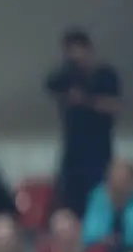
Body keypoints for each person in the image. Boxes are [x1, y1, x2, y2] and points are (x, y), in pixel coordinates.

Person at [44, 29, 122, 216]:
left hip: (99, 150)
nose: (74, 56)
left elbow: (115, 106)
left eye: (77, 50)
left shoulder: (105, 75)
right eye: (69, 51)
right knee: (70, 204)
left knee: (100, 200)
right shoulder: (66, 77)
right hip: (73, 151)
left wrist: (86, 101)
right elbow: (49, 84)